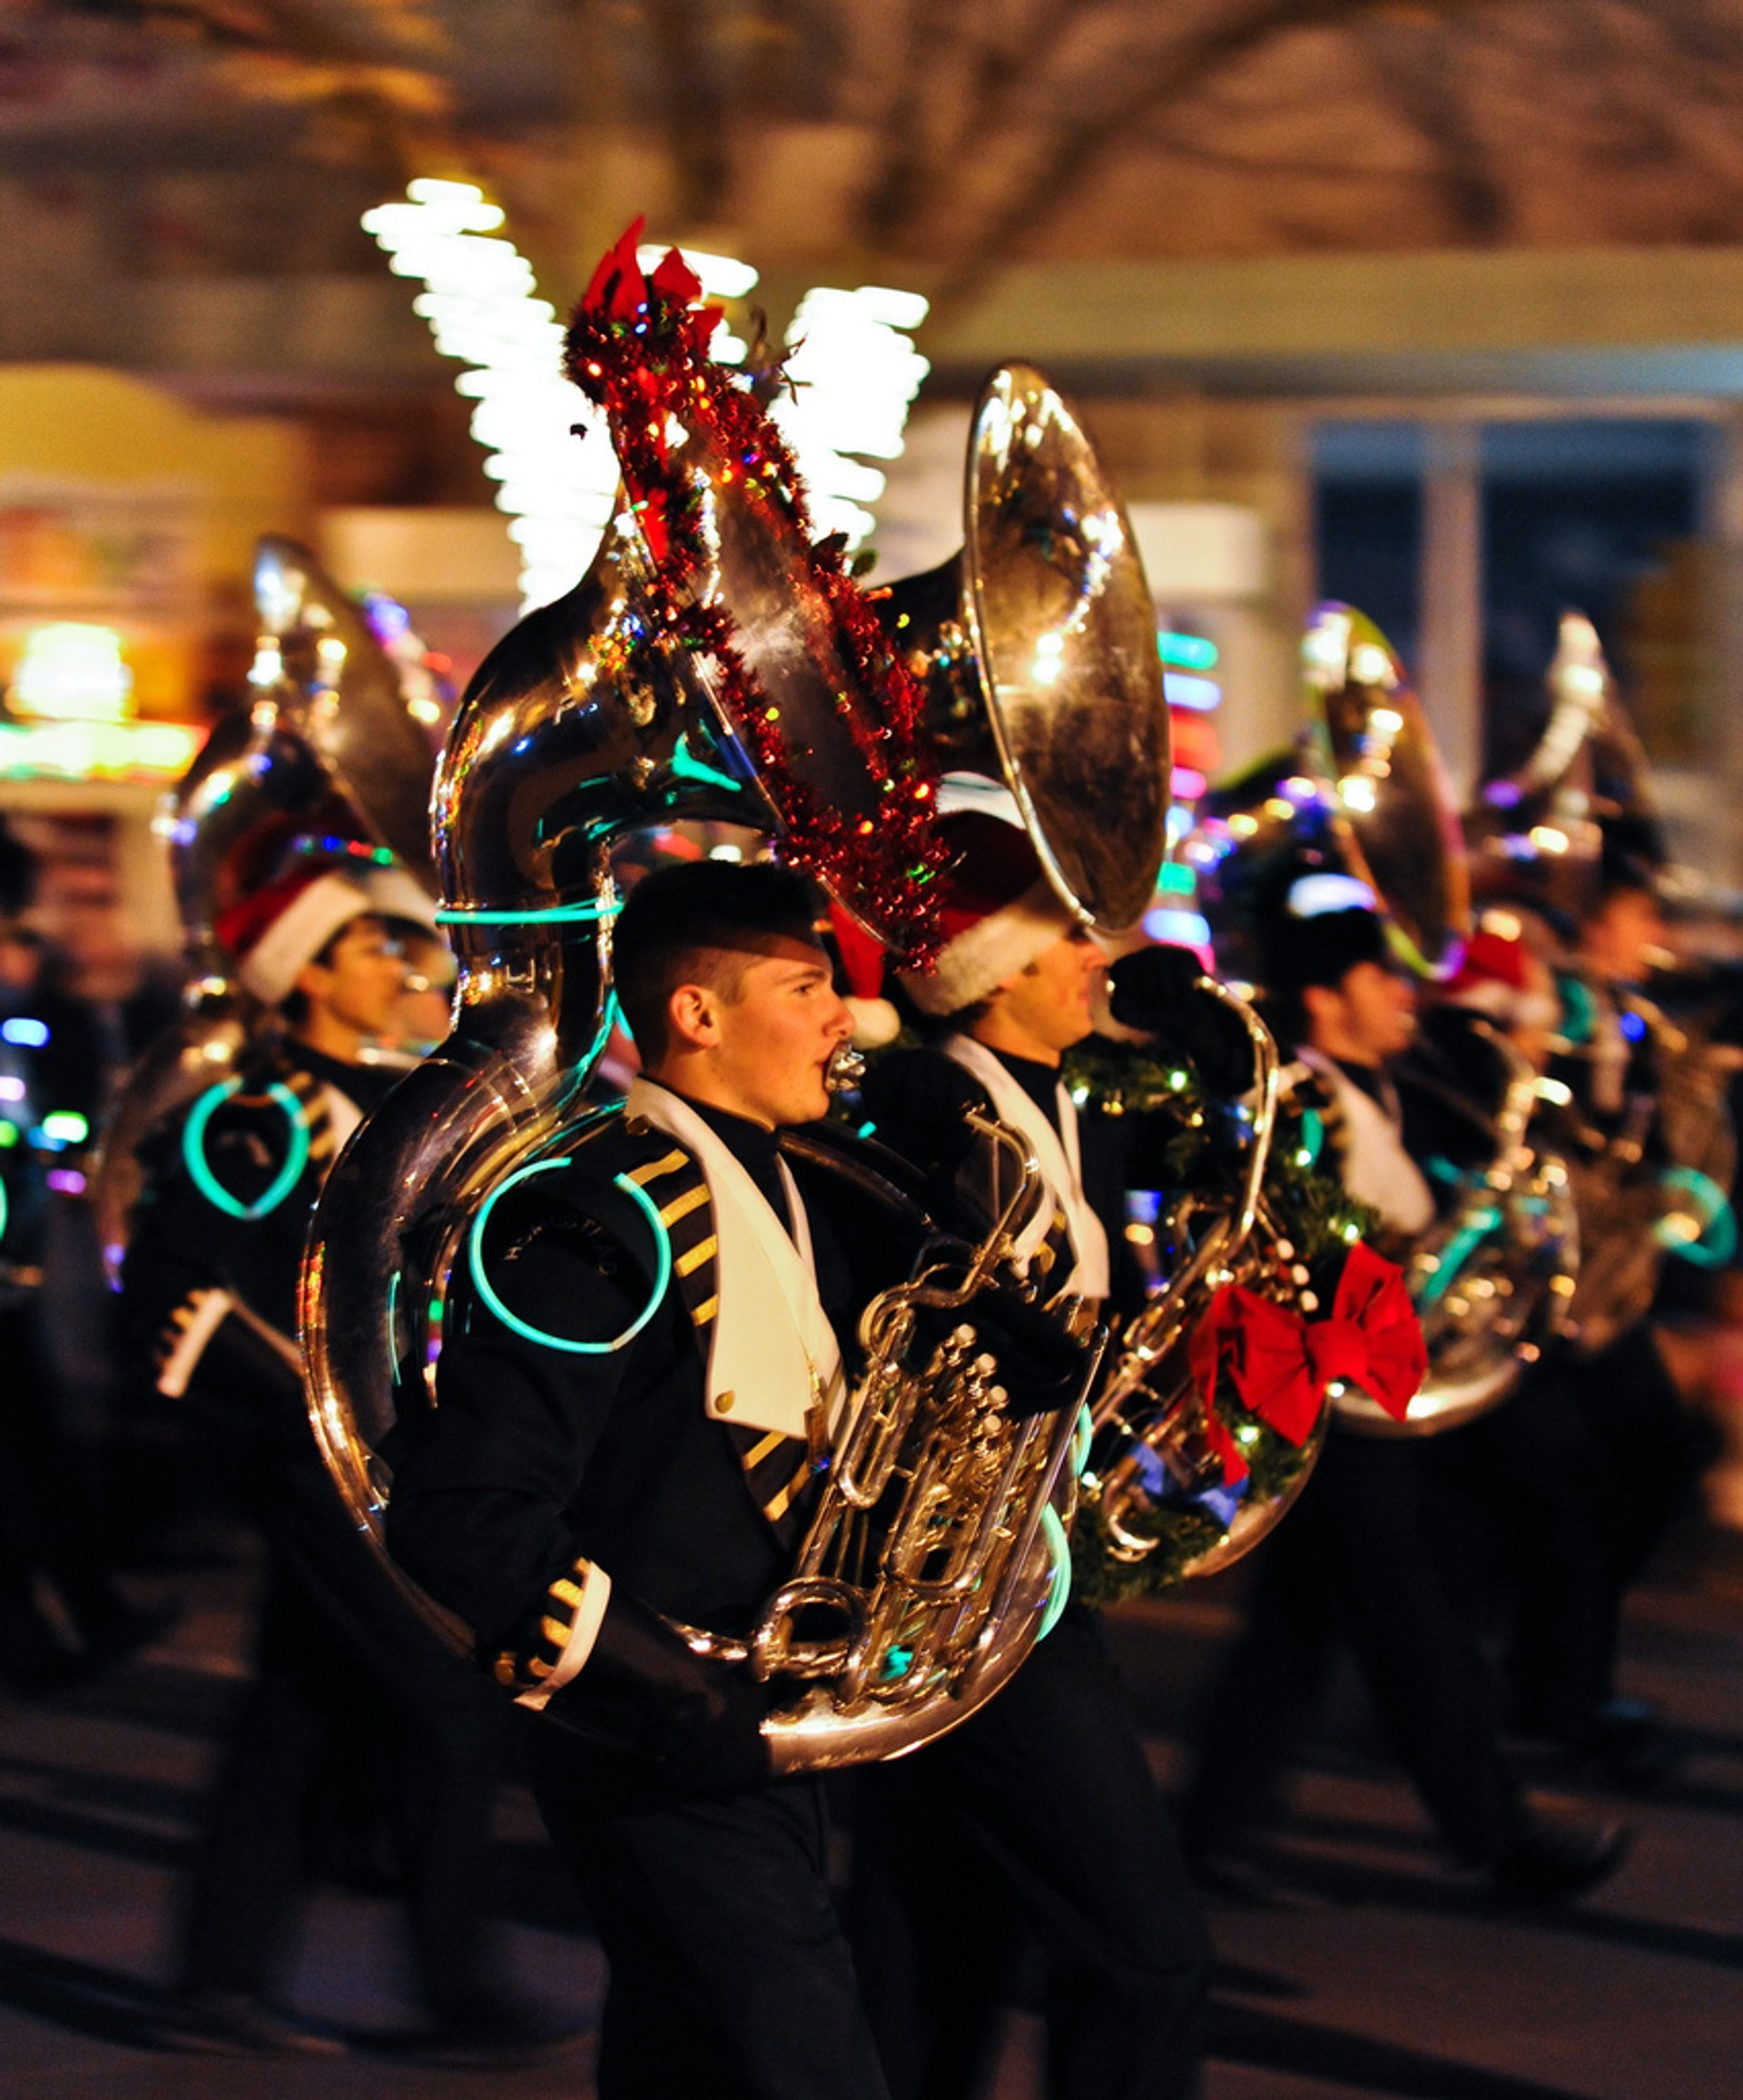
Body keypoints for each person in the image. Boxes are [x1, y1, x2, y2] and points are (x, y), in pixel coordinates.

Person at [386, 855, 921, 2100]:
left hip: (745, 1720)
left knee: (686, 2060)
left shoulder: (786, 1182)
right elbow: (469, 1516)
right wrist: (671, 1688)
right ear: (697, 1013)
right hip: (654, 1718)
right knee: (806, 2068)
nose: (849, 1017)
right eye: (808, 985)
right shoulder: (584, 1208)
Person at [120, 853, 550, 2062]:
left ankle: (213, 1980)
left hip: (394, 1452)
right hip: (316, 1458)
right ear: (309, 973)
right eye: (378, 952)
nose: (410, 972)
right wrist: (303, 1406)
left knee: (295, 1713)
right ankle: (460, 1988)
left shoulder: (412, 1104)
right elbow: (176, 1286)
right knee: (444, 1702)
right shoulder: (255, 1117)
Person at [846, 809, 1212, 2100]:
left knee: (935, 1930)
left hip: (1018, 1563)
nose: (1098, 952)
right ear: (995, 971)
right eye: (1068, 932)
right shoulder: (920, 1107)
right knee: (1147, 1949)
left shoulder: (1069, 1096)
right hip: (959, 1567)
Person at [1179, 878, 1630, 1904]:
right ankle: (1495, 1838)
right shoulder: (1300, 1097)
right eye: (1384, 977)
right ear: (1329, 997)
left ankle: (1208, 1837)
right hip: (1333, 1409)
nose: (1406, 997)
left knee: (1297, 1632)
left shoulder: (1383, 1088)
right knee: (1411, 1623)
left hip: (1371, 1406)